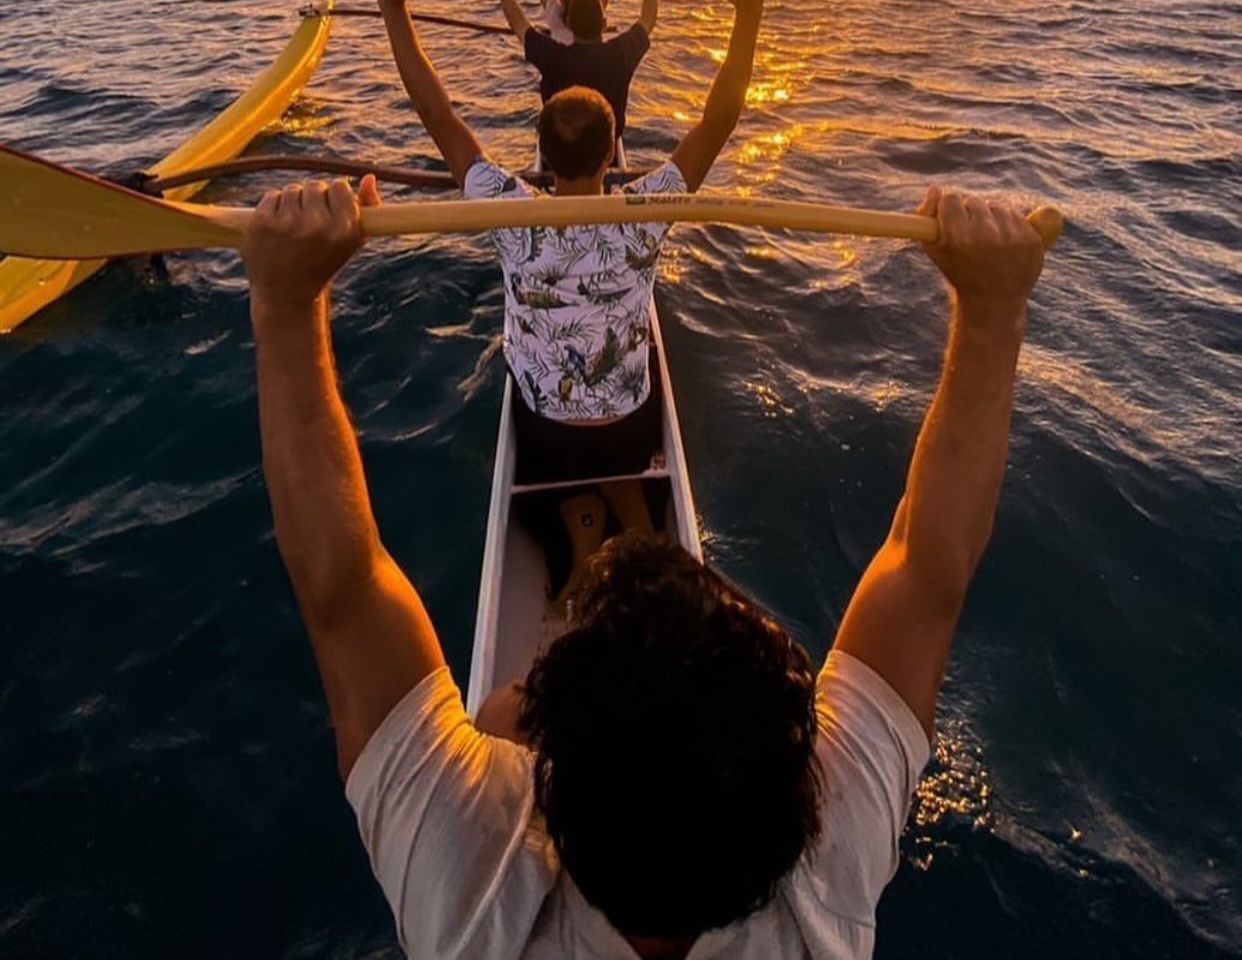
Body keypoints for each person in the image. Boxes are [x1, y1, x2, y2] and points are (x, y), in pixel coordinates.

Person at [241, 176, 1049, 958]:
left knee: (490, 712)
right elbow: (924, 569)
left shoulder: (469, 898)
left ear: (546, 797)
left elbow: (343, 586)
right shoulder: (824, 897)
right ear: (804, 796)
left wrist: (284, 300)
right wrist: (994, 309)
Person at [376, 0, 761, 480]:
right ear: (611, 155)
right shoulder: (647, 211)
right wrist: (749, 13)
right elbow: (718, 121)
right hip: (631, 433)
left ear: (542, 159)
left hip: (544, 435)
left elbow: (435, 113)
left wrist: (393, 7)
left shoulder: (508, 211)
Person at [496, 0, 656, 144]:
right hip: (603, 147)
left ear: (570, 23)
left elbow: (517, 22)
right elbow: (647, 19)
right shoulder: (620, 55)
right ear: (604, 24)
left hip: (560, 149)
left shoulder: (553, 56)